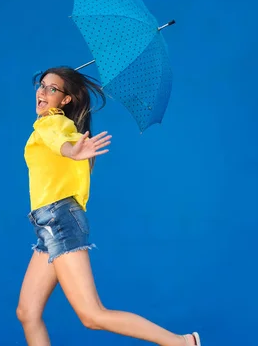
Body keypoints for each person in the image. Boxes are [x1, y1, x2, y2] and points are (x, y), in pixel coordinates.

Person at [17, 66, 201, 346]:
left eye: (52, 89)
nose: (42, 92)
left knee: (92, 315)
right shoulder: (58, 127)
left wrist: (71, 150)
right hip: (49, 224)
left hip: (59, 222)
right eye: (41, 85)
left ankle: (182, 343)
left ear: (65, 100)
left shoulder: (53, 124)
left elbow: (60, 142)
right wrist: (74, 151)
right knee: (28, 312)